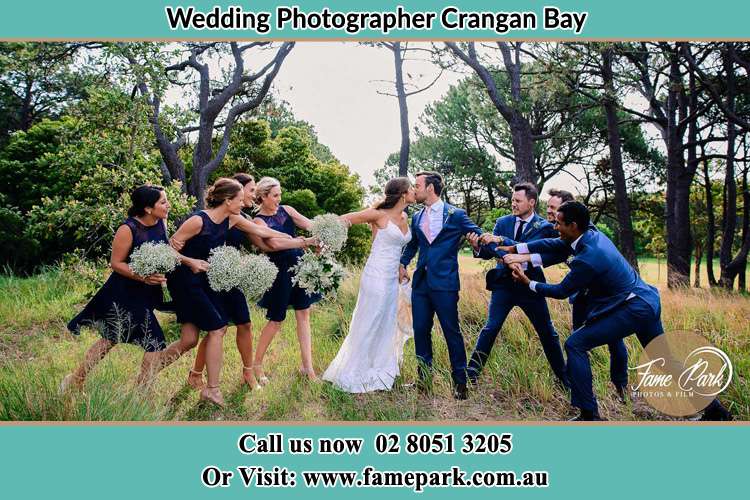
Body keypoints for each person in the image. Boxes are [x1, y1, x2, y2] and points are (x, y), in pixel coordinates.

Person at [507, 201, 732, 421]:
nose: (555, 227)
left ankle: (589, 414)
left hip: (634, 307)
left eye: (559, 224)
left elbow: (560, 291)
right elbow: (555, 244)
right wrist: (516, 248)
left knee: (575, 344)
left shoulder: (587, 259)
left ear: (573, 226)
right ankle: (715, 410)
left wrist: (528, 283)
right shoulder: (592, 234)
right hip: (647, 300)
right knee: (664, 360)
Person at [158, 178, 292, 406]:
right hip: (185, 282)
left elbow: (261, 230)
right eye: (240, 199)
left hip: (204, 282)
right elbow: (167, 251)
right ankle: (211, 389)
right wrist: (189, 260)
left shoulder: (229, 220)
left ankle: (153, 370)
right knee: (216, 329)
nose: (244, 204)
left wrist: (297, 240)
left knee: (192, 338)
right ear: (228, 200)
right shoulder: (197, 221)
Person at [61, 185, 204, 391]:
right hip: (125, 293)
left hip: (147, 293)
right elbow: (116, 263)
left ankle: (75, 380)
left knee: (110, 339)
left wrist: (188, 261)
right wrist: (143, 276)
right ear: (147, 208)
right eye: (163, 202)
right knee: (153, 341)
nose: (168, 205)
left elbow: (164, 250)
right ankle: (142, 391)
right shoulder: (128, 229)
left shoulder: (160, 222)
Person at [465, 183, 568, 388]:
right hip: (503, 285)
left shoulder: (546, 227)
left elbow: (542, 253)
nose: (513, 204)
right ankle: (471, 375)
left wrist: (512, 252)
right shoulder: (502, 222)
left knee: (548, 332)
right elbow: (491, 251)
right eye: (512, 200)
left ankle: (565, 379)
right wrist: (478, 247)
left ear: (531, 202)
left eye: (517, 201)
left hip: (530, 286)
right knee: (490, 328)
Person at [322, 177, 416, 392]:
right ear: (403, 194)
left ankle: (379, 368)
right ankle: (355, 371)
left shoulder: (404, 216)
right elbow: (344, 219)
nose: (414, 192)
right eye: (411, 188)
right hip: (375, 276)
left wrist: (401, 267)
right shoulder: (377, 215)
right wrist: (323, 239)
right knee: (370, 319)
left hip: (392, 279)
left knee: (386, 322)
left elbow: (398, 248)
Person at [399, 171, 484, 400]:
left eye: (417, 185)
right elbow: (413, 245)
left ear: (430, 188)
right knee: (421, 332)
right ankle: (424, 381)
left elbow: (477, 234)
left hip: (445, 284)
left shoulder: (455, 214)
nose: (413, 189)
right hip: (421, 285)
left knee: (451, 332)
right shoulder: (416, 217)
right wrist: (403, 263)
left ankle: (460, 384)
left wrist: (486, 245)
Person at [249, 177, 322, 383]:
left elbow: (310, 224)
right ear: (263, 197)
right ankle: (257, 365)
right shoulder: (258, 221)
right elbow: (272, 244)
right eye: (275, 195)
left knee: (304, 314)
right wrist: (303, 241)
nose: (279, 199)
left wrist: (322, 235)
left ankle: (307, 368)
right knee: (276, 320)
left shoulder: (287, 210)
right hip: (279, 271)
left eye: (280, 194)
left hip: (299, 266)